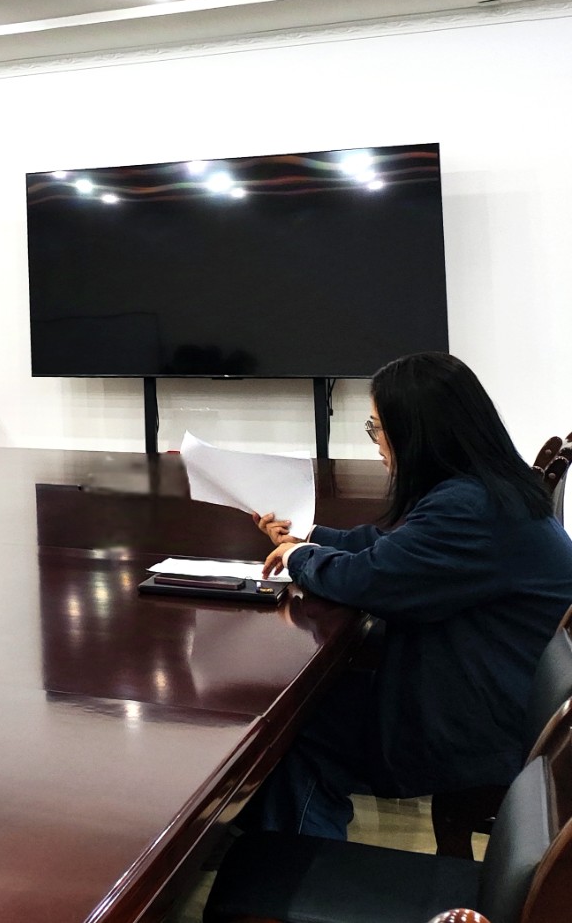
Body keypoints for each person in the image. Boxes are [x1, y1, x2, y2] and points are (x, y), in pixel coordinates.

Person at [241, 351, 572, 839]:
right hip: (499, 685)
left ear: (417, 433)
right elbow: (397, 549)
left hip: (483, 722)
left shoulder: (469, 507)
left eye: (377, 429)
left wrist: (298, 559)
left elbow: (370, 580)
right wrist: (309, 537)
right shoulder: (487, 487)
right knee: (313, 703)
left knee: (295, 729)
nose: (376, 442)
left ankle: (300, 870)